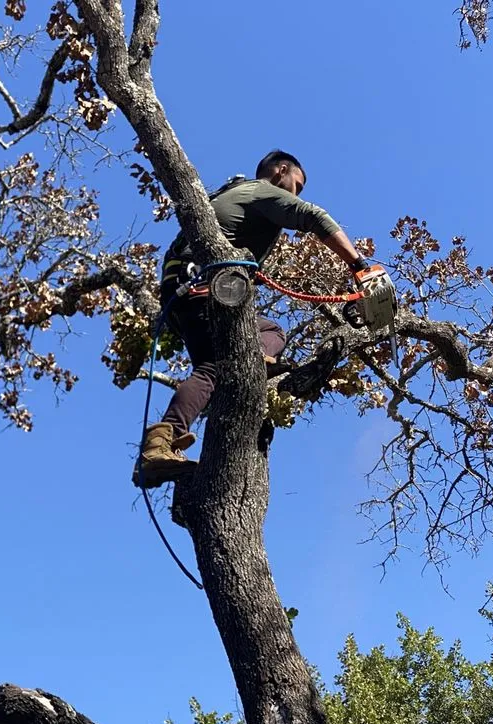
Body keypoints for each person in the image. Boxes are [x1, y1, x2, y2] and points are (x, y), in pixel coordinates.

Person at [133, 150, 372, 488]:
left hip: (183, 292)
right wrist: (360, 267)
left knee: (211, 371)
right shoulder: (259, 190)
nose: (295, 193)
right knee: (271, 332)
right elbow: (313, 216)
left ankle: (159, 447)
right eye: (296, 185)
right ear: (281, 171)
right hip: (204, 286)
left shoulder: (229, 194)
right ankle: (254, 359)